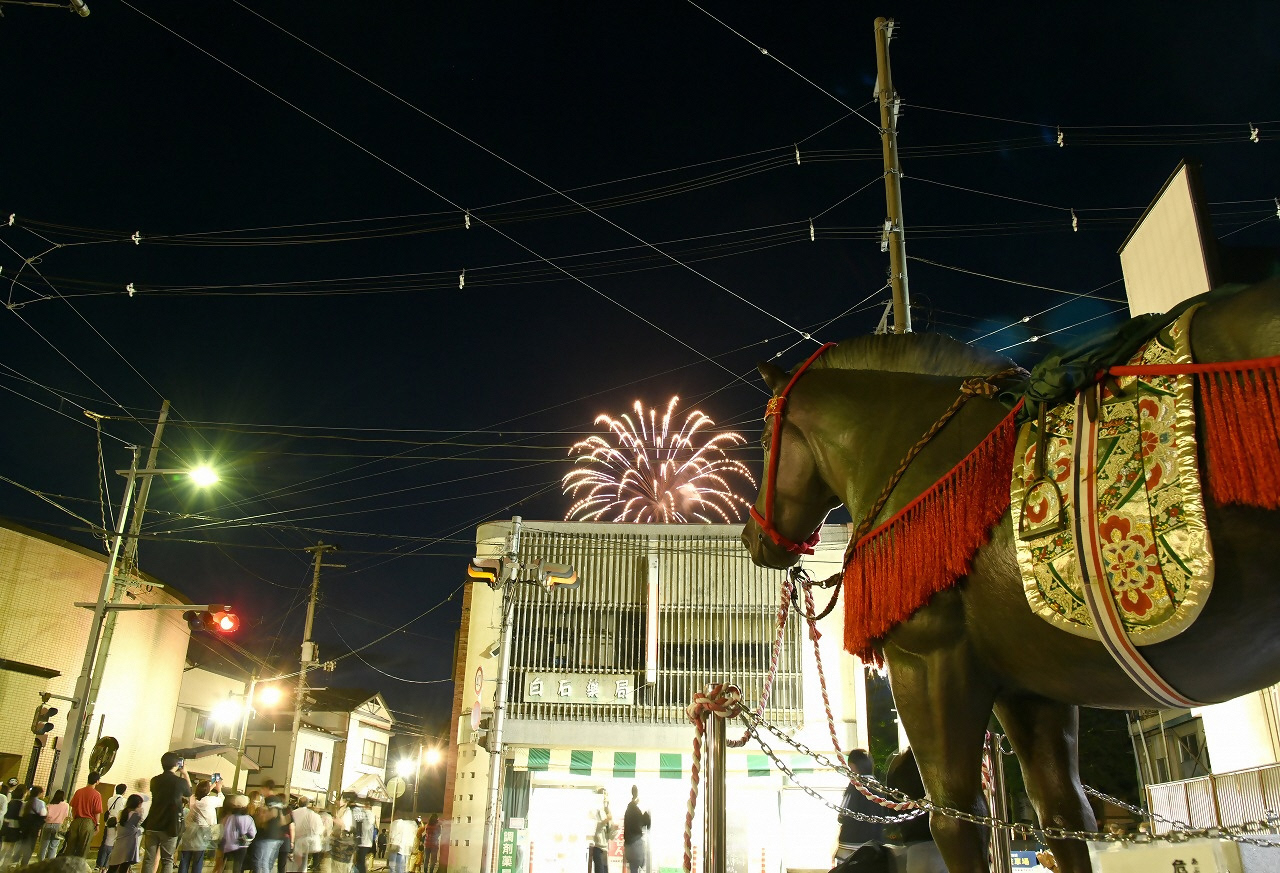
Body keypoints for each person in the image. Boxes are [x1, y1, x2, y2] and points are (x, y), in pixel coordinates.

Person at [142, 752, 193, 873]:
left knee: (149, 858)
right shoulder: (179, 782)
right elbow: (189, 792)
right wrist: (185, 773)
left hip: (153, 823)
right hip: (170, 825)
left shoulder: (154, 780)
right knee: (167, 860)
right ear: (176, 764)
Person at [834, 750, 885, 864]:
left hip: (852, 843)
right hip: (875, 844)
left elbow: (844, 814)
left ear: (853, 765)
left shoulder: (856, 785)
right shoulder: (878, 785)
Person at [178, 780, 216, 873]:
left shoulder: (193, 800)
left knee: (185, 859)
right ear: (208, 791)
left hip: (189, 832)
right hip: (202, 833)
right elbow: (211, 821)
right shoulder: (208, 802)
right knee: (198, 860)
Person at [66, 772, 104, 858]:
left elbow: (73, 808)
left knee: (70, 848)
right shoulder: (97, 795)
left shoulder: (79, 792)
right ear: (97, 781)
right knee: (83, 849)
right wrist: (97, 825)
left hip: (76, 821)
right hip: (88, 823)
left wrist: (74, 819)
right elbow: (97, 812)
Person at [107, 794, 146, 873]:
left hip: (119, 844)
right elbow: (138, 827)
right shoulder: (136, 814)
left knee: (113, 868)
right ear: (137, 804)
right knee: (124, 868)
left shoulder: (123, 812)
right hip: (129, 845)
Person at [250, 795, 287, 873]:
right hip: (275, 839)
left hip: (267, 838)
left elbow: (261, 822)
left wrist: (260, 813)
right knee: (266, 863)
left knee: (262, 863)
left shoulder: (271, 812)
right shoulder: (280, 814)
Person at [219, 795, 256, 873]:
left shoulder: (229, 818)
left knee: (226, 867)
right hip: (242, 846)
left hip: (228, 846)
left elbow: (224, 832)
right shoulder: (249, 819)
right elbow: (253, 833)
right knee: (238, 867)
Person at [285, 797, 322, 873]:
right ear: (307, 804)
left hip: (292, 839)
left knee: (290, 862)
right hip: (304, 841)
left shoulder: (292, 813)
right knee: (302, 863)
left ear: (298, 803)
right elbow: (318, 829)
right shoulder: (312, 814)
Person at [98, 785, 129, 873]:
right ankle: (107, 866)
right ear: (124, 791)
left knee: (106, 843)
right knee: (114, 846)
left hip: (109, 822)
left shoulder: (110, 799)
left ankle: (101, 866)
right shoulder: (124, 801)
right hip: (118, 823)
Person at [622, 786, 650, 873]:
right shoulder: (637, 810)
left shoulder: (628, 811)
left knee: (633, 868)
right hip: (636, 843)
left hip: (628, 845)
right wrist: (646, 815)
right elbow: (646, 823)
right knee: (641, 864)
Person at [586, 790, 615, 873]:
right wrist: (606, 820)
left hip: (605, 850)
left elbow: (610, 836)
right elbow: (597, 827)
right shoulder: (597, 812)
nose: (606, 801)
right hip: (598, 848)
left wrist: (614, 829)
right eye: (604, 797)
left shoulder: (607, 813)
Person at [0, 785, 27, 869]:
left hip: (6, 826)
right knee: (10, 849)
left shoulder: (10, 802)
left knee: (4, 847)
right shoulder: (22, 804)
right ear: (23, 794)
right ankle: (4, 866)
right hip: (15, 828)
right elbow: (21, 817)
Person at [39, 789, 69, 860]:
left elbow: (44, 816)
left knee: (44, 845)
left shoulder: (49, 805)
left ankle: (41, 862)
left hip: (47, 825)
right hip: (58, 826)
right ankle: (50, 863)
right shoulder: (66, 805)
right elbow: (66, 816)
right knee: (54, 846)